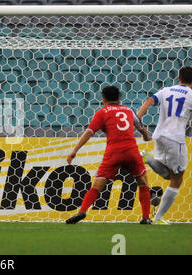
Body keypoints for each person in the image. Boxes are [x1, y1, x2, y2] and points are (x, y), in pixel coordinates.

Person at [65, 86, 153, 224]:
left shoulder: (102, 112)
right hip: (131, 151)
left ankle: (82, 210)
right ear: (119, 98)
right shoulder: (128, 110)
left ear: (103, 99)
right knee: (143, 182)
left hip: (113, 152)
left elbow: (89, 132)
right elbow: (140, 126)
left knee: (97, 185)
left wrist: (74, 151)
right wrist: (146, 136)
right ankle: (146, 218)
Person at [137, 66, 192, 225]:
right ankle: (158, 219)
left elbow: (149, 101)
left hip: (159, 135)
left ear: (178, 78)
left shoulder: (166, 90)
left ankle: (147, 157)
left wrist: (137, 118)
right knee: (177, 179)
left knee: (169, 175)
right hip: (175, 138)